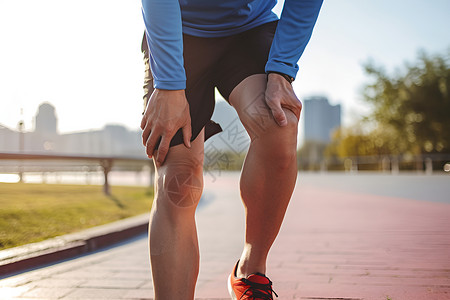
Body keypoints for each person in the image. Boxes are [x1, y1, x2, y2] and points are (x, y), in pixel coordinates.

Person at [140, 0, 323, 299]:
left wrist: (282, 70)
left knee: (279, 124)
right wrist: (169, 85)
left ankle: (250, 271)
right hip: (179, 31)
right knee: (178, 181)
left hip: (249, 31)